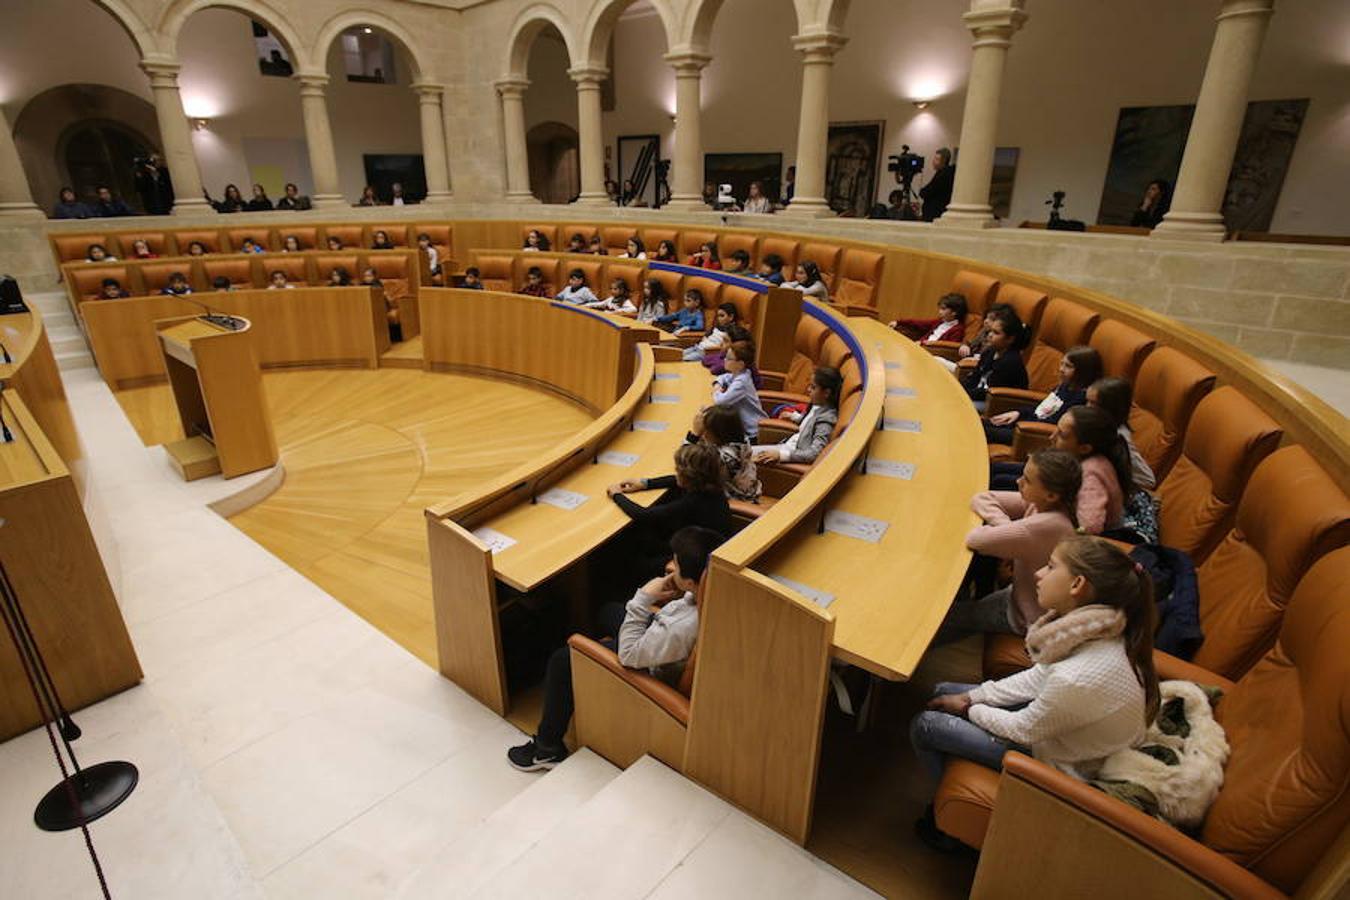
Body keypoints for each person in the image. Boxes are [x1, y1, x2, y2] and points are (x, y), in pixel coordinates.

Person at [911, 534, 1158, 850]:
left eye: (1051, 567)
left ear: (1077, 585)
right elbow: (1037, 677)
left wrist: (967, 709)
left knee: (927, 725)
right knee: (943, 690)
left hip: (1067, 764)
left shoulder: (1079, 676)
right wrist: (972, 697)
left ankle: (951, 832)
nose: (1039, 574)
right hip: (1067, 732)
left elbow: (1022, 730)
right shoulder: (1100, 629)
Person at [506, 525, 725, 771]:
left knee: (562, 660)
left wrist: (643, 597)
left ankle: (548, 748)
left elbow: (629, 655)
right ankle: (589, 677)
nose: (671, 566)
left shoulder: (682, 629)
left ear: (691, 581)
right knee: (608, 611)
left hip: (644, 665)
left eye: (676, 563)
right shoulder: (711, 594)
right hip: (656, 641)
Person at [936, 448, 1082, 643]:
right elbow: (982, 498)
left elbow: (975, 540)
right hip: (1018, 594)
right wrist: (1008, 529)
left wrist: (1010, 533)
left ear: (1051, 495)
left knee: (943, 620)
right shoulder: (1042, 505)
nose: (1018, 482)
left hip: (1024, 615)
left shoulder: (1047, 525)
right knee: (956, 606)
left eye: (1027, 480)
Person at [608, 444, 732, 571]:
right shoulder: (711, 486)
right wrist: (645, 484)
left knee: (631, 559)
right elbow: (674, 480)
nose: (676, 472)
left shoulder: (692, 502)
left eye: (678, 470)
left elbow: (643, 515)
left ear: (688, 476)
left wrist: (617, 495)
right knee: (645, 536)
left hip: (698, 559)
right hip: (703, 541)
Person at [983, 346, 1102, 445]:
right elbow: (1041, 408)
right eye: (1062, 364)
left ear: (1083, 371)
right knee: (981, 423)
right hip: (1024, 422)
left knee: (982, 431)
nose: (1061, 369)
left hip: (1030, 433)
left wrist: (1022, 422)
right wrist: (1018, 413)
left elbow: (1053, 423)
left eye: (1068, 366)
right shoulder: (1064, 386)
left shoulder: (1079, 399)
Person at [1049, 406, 1130, 535]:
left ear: (1085, 448)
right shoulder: (1088, 459)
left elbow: (1090, 527)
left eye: (1061, 435)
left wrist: (1061, 536)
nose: (1051, 437)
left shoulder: (1090, 474)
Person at [752, 366, 842, 466]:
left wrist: (781, 455)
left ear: (826, 393)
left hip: (791, 451)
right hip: (786, 444)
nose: (808, 390)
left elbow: (815, 453)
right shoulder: (817, 404)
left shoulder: (826, 419)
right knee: (741, 452)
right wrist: (793, 416)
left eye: (813, 387)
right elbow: (808, 421)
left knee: (741, 456)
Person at [1087, 377, 1156, 491]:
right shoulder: (1095, 425)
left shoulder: (1119, 438)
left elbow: (1148, 480)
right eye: (1087, 401)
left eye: (1093, 403)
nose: (1087, 407)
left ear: (1110, 408)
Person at [963, 308, 1028, 404]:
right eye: (991, 331)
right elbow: (975, 375)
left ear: (1010, 339)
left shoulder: (1010, 362)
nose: (990, 335)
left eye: (996, 333)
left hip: (994, 404)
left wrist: (963, 394)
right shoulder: (990, 351)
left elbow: (990, 392)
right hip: (977, 396)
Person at [711, 340, 768, 442]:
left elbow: (720, 402)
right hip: (743, 428)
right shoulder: (740, 373)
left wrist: (716, 391)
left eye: (729, 358)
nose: (724, 360)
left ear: (740, 364)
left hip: (752, 433)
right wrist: (717, 383)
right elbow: (723, 377)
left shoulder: (742, 382)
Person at [891, 293, 968, 346]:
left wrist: (923, 344)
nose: (940, 312)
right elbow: (919, 323)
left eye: (943, 309)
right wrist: (899, 322)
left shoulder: (958, 330)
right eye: (940, 308)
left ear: (954, 312)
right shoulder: (940, 321)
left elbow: (944, 348)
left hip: (930, 351)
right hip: (920, 346)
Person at [919, 148, 955, 222]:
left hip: (935, 213)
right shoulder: (944, 173)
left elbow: (930, 189)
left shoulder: (944, 174)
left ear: (943, 160)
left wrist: (922, 192)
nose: (933, 161)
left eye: (937, 159)